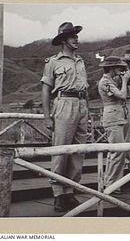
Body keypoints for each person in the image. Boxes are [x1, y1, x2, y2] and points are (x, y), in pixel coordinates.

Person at [41, 22, 89, 212]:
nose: (76, 38)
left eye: (76, 35)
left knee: (78, 151)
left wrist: (87, 111)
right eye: (72, 36)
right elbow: (45, 90)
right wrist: (46, 117)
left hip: (82, 105)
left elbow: (84, 88)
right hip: (63, 104)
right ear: (63, 40)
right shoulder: (53, 62)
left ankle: (70, 191)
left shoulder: (80, 61)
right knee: (61, 151)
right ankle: (58, 193)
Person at [98, 56, 130, 194]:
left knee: (120, 152)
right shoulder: (105, 82)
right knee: (117, 151)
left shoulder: (112, 81)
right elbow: (122, 95)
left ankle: (116, 182)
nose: (121, 70)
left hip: (119, 117)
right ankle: (110, 183)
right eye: (119, 68)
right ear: (111, 68)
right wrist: (124, 80)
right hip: (112, 118)